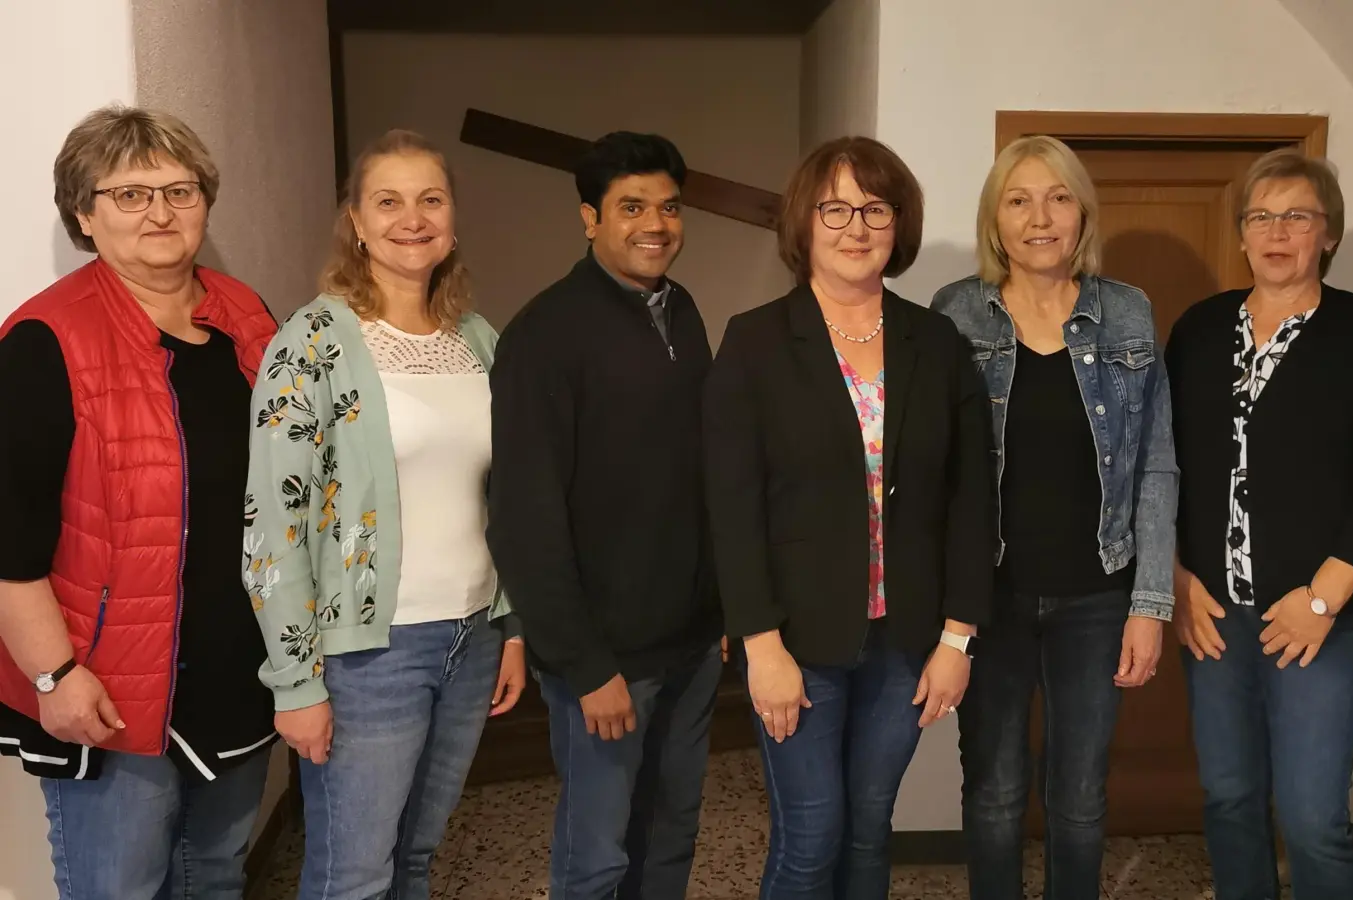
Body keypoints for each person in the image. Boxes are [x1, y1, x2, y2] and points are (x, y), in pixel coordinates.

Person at [0, 105, 279, 900]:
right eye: (129, 194)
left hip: (236, 672)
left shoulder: (245, 315)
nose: (160, 212)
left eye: (179, 191)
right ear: (84, 214)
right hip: (109, 693)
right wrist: (55, 676)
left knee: (215, 877)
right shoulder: (43, 340)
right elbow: (8, 540)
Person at [703, 135, 993, 900]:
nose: (856, 227)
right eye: (835, 208)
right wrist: (760, 644)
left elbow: (970, 499)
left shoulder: (936, 342)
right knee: (811, 836)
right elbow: (732, 505)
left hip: (907, 640)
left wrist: (958, 638)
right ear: (804, 221)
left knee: (869, 831)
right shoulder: (755, 341)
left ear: (899, 224)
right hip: (796, 641)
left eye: (875, 208)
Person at [244, 129, 525, 900]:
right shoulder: (312, 341)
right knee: (354, 876)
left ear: (453, 219)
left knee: (416, 858)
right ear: (357, 223)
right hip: (370, 656)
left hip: (470, 639)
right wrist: (295, 683)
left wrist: (510, 625)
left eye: (431, 199)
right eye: (389, 201)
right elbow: (272, 527)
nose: (413, 218)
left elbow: (506, 496)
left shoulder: (477, 340)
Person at [1164, 148, 1353, 900]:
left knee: (1313, 818)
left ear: (1329, 233)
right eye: (1261, 216)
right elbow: (1163, 464)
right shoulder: (1200, 331)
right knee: (1229, 797)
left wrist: (1322, 598)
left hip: (1323, 616)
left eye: (1297, 217)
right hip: (1214, 611)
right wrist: (1175, 576)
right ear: (1241, 233)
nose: (1277, 232)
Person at [931, 135, 1178, 900]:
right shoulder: (956, 312)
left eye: (1058, 197)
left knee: (1078, 797)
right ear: (994, 220)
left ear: (1083, 214)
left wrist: (1150, 604)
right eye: (1019, 200)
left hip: (1097, 596)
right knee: (995, 791)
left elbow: (1156, 463)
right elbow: (934, 469)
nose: (1040, 218)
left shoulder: (1126, 312)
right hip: (989, 596)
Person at [488, 131, 724, 900]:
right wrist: (586, 665)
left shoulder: (682, 310)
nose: (655, 224)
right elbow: (523, 516)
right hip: (605, 659)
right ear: (590, 217)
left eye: (669, 207)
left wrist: (720, 607)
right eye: (632, 207)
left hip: (690, 645)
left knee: (671, 834)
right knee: (596, 858)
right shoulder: (544, 335)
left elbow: (699, 473)